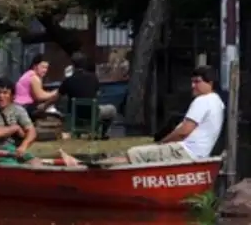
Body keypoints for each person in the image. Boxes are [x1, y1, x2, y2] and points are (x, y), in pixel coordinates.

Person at [65, 66, 224, 166]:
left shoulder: (202, 101)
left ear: (209, 83)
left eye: (197, 82)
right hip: (198, 152)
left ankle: (84, 167)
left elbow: (184, 131)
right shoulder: (218, 102)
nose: (193, 86)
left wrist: (163, 142)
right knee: (136, 153)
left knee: (132, 154)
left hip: (185, 151)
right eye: (192, 81)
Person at [0, 77, 45, 166]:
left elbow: (32, 131)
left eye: (5, 93)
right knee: (14, 166)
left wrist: (23, 146)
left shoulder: (18, 109)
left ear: (12, 96)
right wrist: (16, 128)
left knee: (36, 162)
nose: (1, 96)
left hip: (10, 149)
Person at [58, 52, 117, 139]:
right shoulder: (93, 78)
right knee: (112, 109)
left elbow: (58, 96)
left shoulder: (68, 81)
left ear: (73, 65)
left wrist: (45, 105)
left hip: (75, 114)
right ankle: (103, 133)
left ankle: (84, 132)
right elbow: (97, 94)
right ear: (85, 64)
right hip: (92, 113)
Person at [14, 54, 59, 119]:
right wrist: (55, 92)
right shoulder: (34, 77)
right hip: (24, 107)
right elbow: (39, 96)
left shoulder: (29, 74)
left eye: (46, 68)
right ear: (35, 66)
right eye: (43, 67)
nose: (45, 70)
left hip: (21, 106)